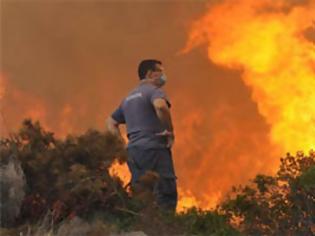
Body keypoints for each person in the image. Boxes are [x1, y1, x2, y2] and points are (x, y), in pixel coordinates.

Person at [106, 59, 177, 211]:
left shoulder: (127, 99)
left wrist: (122, 147)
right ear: (150, 74)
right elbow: (161, 107)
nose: (164, 75)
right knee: (166, 193)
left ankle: (142, 228)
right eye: (161, 71)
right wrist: (169, 131)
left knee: (141, 194)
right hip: (155, 148)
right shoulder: (153, 91)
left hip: (134, 152)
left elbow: (111, 122)